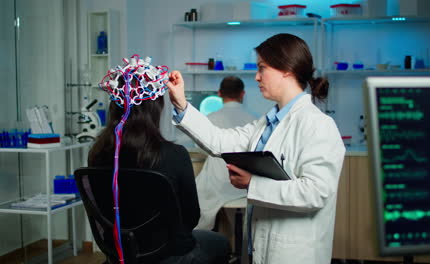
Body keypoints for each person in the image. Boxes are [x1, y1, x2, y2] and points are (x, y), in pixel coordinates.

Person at [167, 34, 346, 263]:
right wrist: (182, 104)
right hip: (258, 246)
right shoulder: (266, 123)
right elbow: (219, 141)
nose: (256, 76)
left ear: (286, 69)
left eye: (262, 68)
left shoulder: (318, 125)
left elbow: (315, 192)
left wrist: (253, 183)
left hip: (294, 253)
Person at [88, 55, 230, 264]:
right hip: (171, 254)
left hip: (121, 253)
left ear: (114, 106)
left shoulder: (98, 153)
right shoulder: (174, 154)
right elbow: (191, 217)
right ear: (156, 107)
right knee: (220, 243)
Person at [195, 76, 256, 230]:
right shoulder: (255, 120)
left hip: (216, 187)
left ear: (219, 93)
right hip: (245, 188)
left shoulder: (209, 119)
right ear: (242, 94)